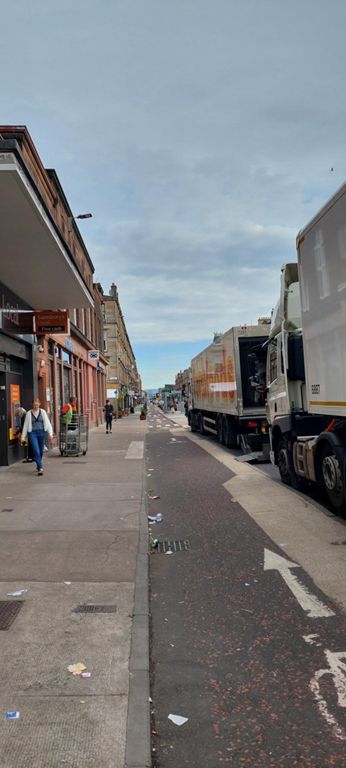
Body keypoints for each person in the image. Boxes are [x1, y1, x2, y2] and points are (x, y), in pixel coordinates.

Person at [21, 398, 53, 476]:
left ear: (39, 404)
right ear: (32, 405)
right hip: (32, 434)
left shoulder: (43, 412)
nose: (36, 406)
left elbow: (47, 423)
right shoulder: (28, 413)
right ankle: (40, 468)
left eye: (37, 404)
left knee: (41, 451)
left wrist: (50, 434)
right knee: (36, 450)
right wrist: (23, 437)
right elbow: (25, 425)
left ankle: (38, 465)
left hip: (42, 433)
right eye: (34, 404)